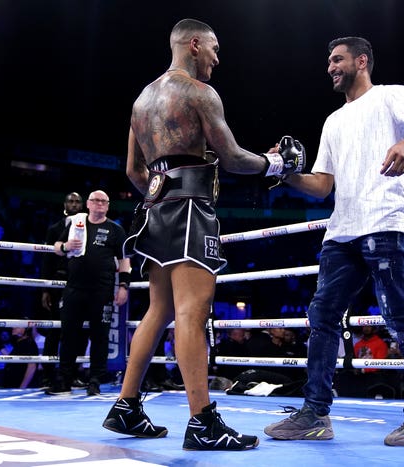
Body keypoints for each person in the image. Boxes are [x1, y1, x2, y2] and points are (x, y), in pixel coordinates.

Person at [101, 18, 304, 451]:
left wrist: (162, 194)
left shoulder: (141, 101)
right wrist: (275, 165)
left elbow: (134, 172)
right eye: (213, 48)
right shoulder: (199, 93)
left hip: (154, 210)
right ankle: (202, 421)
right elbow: (230, 157)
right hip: (191, 209)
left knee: (159, 310)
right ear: (194, 45)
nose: (216, 57)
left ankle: (125, 406)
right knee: (193, 311)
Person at [263, 36, 404, 447]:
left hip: (384, 222)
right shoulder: (333, 121)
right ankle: (315, 414)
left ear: (360, 61)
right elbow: (321, 186)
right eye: (328, 60)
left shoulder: (390, 96)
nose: (330, 67)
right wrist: (285, 172)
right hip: (341, 231)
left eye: (337, 59)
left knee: (401, 317)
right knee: (322, 316)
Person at [45, 190, 130, 397]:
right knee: (68, 335)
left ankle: (95, 381)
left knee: (100, 336)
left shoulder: (116, 230)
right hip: (74, 288)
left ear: (108, 206)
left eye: (104, 201)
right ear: (89, 204)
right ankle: (64, 379)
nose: (99, 204)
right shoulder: (76, 225)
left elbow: (124, 261)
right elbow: (55, 247)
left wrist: (124, 286)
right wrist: (65, 246)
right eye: (96, 200)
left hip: (102, 291)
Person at [38, 191, 86, 388]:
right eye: (71, 201)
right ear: (64, 205)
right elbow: (47, 259)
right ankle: (48, 375)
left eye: (77, 202)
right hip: (58, 282)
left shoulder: (89, 228)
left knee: (79, 330)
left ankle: (73, 373)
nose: (74, 204)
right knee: (54, 329)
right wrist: (45, 288)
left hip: (80, 281)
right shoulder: (55, 228)